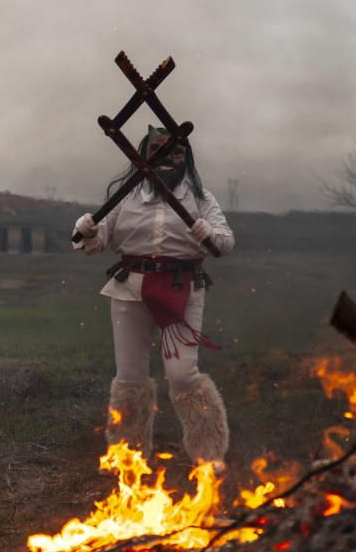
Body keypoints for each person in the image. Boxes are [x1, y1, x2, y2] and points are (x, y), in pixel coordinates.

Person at [72, 126, 234, 473]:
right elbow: (99, 241)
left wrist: (208, 233)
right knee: (129, 375)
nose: (166, 158)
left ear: (185, 157)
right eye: (158, 150)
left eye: (174, 152)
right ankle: (127, 456)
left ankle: (209, 452)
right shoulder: (126, 196)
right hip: (131, 289)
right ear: (143, 155)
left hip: (181, 289)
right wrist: (89, 230)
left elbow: (224, 242)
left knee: (182, 374)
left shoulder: (202, 199)